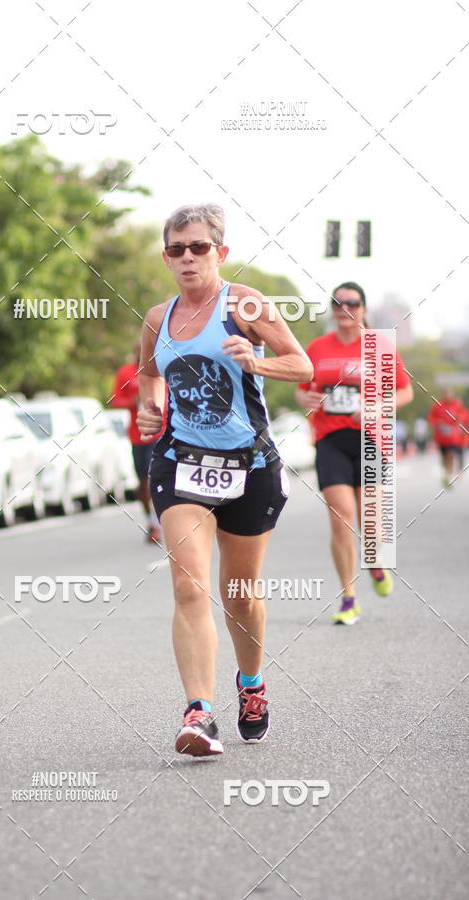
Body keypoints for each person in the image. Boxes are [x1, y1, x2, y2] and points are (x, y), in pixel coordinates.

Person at [136, 202, 312, 756]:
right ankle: (199, 713)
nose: (188, 258)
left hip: (249, 466)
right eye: (177, 249)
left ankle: (251, 683)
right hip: (181, 463)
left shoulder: (245, 304)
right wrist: (149, 407)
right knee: (189, 586)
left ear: (220, 252)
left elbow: (302, 365)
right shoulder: (157, 317)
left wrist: (255, 362)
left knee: (240, 595)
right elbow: (149, 374)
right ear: (166, 258)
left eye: (199, 247)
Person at [295, 281, 413, 625]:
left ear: (364, 308)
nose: (344, 309)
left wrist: (378, 407)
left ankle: (375, 562)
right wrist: (306, 399)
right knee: (340, 516)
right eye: (338, 303)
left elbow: (404, 392)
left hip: (371, 440)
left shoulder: (381, 346)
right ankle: (349, 598)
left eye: (352, 303)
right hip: (330, 438)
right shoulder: (317, 347)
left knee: (370, 524)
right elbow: (302, 391)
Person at [112, 342, 164, 542]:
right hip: (136, 436)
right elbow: (115, 400)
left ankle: (158, 523)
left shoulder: (161, 370)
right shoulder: (126, 373)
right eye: (138, 352)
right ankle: (151, 521)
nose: (142, 355)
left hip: (159, 434)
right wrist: (131, 401)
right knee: (142, 482)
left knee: (153, 478)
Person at [428, 390, 466, 487]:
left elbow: (463, 415)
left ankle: (450, 475)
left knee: (451, 454)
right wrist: (437, 423)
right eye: (445, 394)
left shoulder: (457, 404)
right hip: (441, 438)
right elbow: (431, 418)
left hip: (453, 437)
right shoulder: (437, 406)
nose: (447, 396)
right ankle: (447, 471)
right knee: (444, 457)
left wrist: (458, 420)